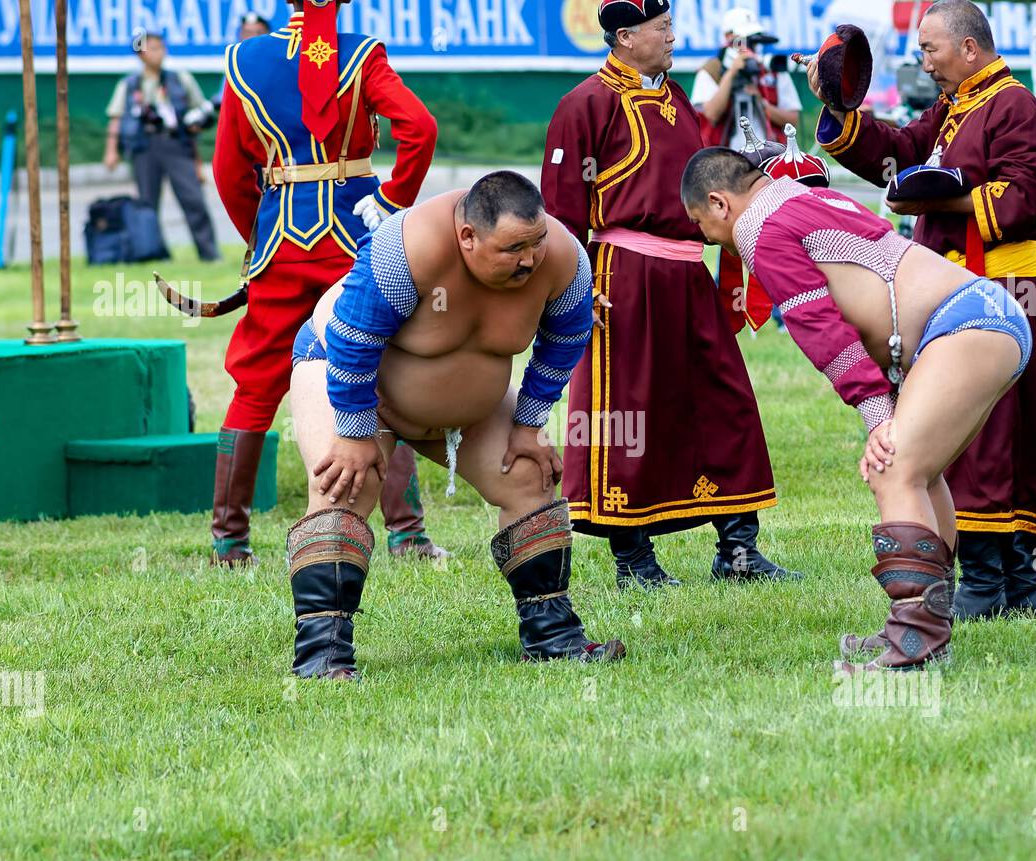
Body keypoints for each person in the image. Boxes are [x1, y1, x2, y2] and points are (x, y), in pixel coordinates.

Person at [682, 149, 1032, 671]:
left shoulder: (759, 227)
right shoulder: (805, 196)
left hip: (965, 324)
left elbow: (819, 326)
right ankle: (926, 624)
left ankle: (915, 643)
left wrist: (876, 413)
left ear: (719, 202)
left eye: (701, 223)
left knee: (893, 467)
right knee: (922, 472)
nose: (708, 237)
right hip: (983, 315)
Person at [287, 173, 626, 677]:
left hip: (466, 409)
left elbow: (566, 336)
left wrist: (531, 424)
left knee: (530, 476)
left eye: (536, 242)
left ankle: (553, 637)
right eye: (513, 248)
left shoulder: (565, 262)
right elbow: (353, 336)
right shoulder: (407, 247)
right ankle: (323, 656)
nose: (529, 260)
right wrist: (356, 432)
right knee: (345, 487)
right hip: (350, 380)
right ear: (467, 237)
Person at [810, 0, 1036, 620]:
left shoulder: (1012, 104)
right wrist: (843, 114)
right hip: (957, 294)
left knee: (996, 436)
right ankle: (1009, 582)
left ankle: (998, 579)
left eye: (930, 49)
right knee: (976, 433)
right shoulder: (958, 106)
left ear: (969, 49)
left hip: (1005, 291)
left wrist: (952, 199)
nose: (922, 61)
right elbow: (900, 154)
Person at [540, 0, 797, 589]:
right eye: (663, 29)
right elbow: (560, 212)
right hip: (621, 280)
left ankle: (739, 549)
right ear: (626, 36)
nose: (674, 38)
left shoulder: (677, 98)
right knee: (625, 416)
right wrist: (574, 291)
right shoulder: (583, 105)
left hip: (687, 275)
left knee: (722, 401)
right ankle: (634, 560)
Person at [209, 0, 445, 566]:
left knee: (255, 386)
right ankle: (406, 534)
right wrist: (391, 200)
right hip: (356, 238)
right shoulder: (360, 53)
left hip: (280, 239)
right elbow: (420, 127)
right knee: (379, 370)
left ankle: (230, 541)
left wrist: (260, 236)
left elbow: (227, 170)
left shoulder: (245, 59)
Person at [104, 30, 220, 262]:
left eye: (161, 47)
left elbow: (198, 109)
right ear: (140, 54)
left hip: (175, 143)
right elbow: (116, 117)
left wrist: (197, 123)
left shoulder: (179, 78)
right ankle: (153, 252)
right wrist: (111, 150)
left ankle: (209, 253)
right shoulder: (129, 84)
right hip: (144, 146)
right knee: (147, 203)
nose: (159, 53)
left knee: (192, 198)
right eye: (153, 48)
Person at [691, 6, 802, 150]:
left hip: (768, 154)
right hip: (724, 159)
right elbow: (711, 114)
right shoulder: (711, 70)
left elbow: (792, 120)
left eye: (753, 42)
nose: (750, 48)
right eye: (744, 41)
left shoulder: (771, 69)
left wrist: (762, 103)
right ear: (728, 37)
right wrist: (731, 73)